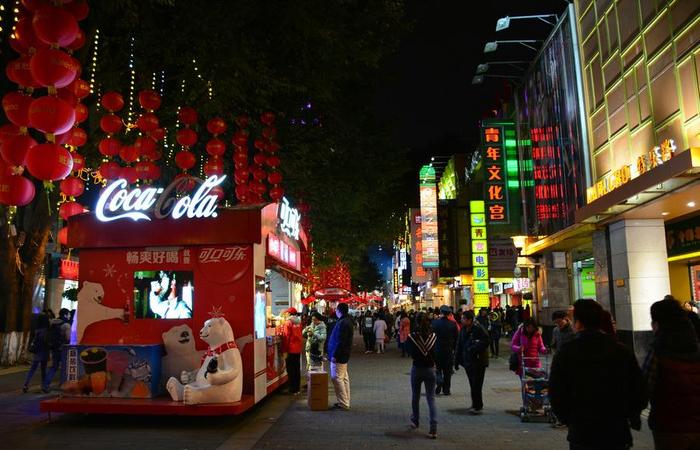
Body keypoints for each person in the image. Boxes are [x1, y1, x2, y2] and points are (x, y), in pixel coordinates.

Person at [550, 299, 647, 450]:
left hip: (582, 432)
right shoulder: (621, 351)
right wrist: (630, 415)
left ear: (578, 322)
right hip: (616, 431)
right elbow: (639, 389)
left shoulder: (567, 353)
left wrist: (569, 419)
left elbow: (556, 392)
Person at [642, 298, 700, 449]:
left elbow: (644, 388)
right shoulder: (696, 347)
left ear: (657, 324)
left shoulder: (657, 353)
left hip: (669, 428)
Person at [405, 312, 438, 439]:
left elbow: (410, 352)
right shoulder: (433, 336)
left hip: (417, 368)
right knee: (431, 398)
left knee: (415, 396)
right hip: (430, 369)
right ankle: (433, 428)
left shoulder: (412, 336)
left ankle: (415, 420)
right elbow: (436, 353)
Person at [454, 310, 490, 414]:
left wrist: (474, 348)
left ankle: (478, 406)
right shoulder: (463, 329)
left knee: (477, 384)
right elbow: (459, 345)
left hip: (479, 361)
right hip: (468, 361)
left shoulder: (478, 328)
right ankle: (475, 404)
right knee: (472, 384)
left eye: (463, 318)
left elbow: (486, 341)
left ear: (469, 320)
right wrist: (456, 360)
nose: (461, 320)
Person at [328, 302, 353, 410]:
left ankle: (343, 403)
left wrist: (335, 354)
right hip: (343, 354)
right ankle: (345, 401)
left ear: (339, 311)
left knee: (337, 378)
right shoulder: (346, 321)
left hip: (339, 355)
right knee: (343, 378)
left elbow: (340, 340)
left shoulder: (343, 322)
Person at [43, 308, 72, 392]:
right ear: (65, 315)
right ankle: (63, 385)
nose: (70, 316)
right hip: (63, 349)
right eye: (69, 314)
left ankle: (45, 385)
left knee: (54, 367)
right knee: (64, 367)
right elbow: (68, 338)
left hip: (53, 348)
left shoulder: (52, 322)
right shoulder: (66, 325)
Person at [431, 305, 458, 396]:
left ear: (441, 313)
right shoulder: (453, 324)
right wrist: (455, 350)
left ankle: (439, 381)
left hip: (437, 349)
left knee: (438, 368)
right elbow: (456, 338)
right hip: (449, 350)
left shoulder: (435, 323)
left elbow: (431, 336)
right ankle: (446, 389)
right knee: (448, 371)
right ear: (449, 313)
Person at [23, 312, 50, 393]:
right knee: (43, 370)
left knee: (32, 369)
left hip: (37, 352)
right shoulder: (46, 331)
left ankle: (26, 384)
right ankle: (44, 387)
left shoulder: (37, 330)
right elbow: (46, 342)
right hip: (44, 352)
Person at [281, 307, 303, 395]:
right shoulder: (299, 322)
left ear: (289, 314)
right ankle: (297, 389)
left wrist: (284, 349)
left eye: (287, 313)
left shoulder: (288, 323)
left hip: (290, 349)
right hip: (298, 349)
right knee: (297, 369)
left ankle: (292, 389)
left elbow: (286, 337)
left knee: (290, 369)